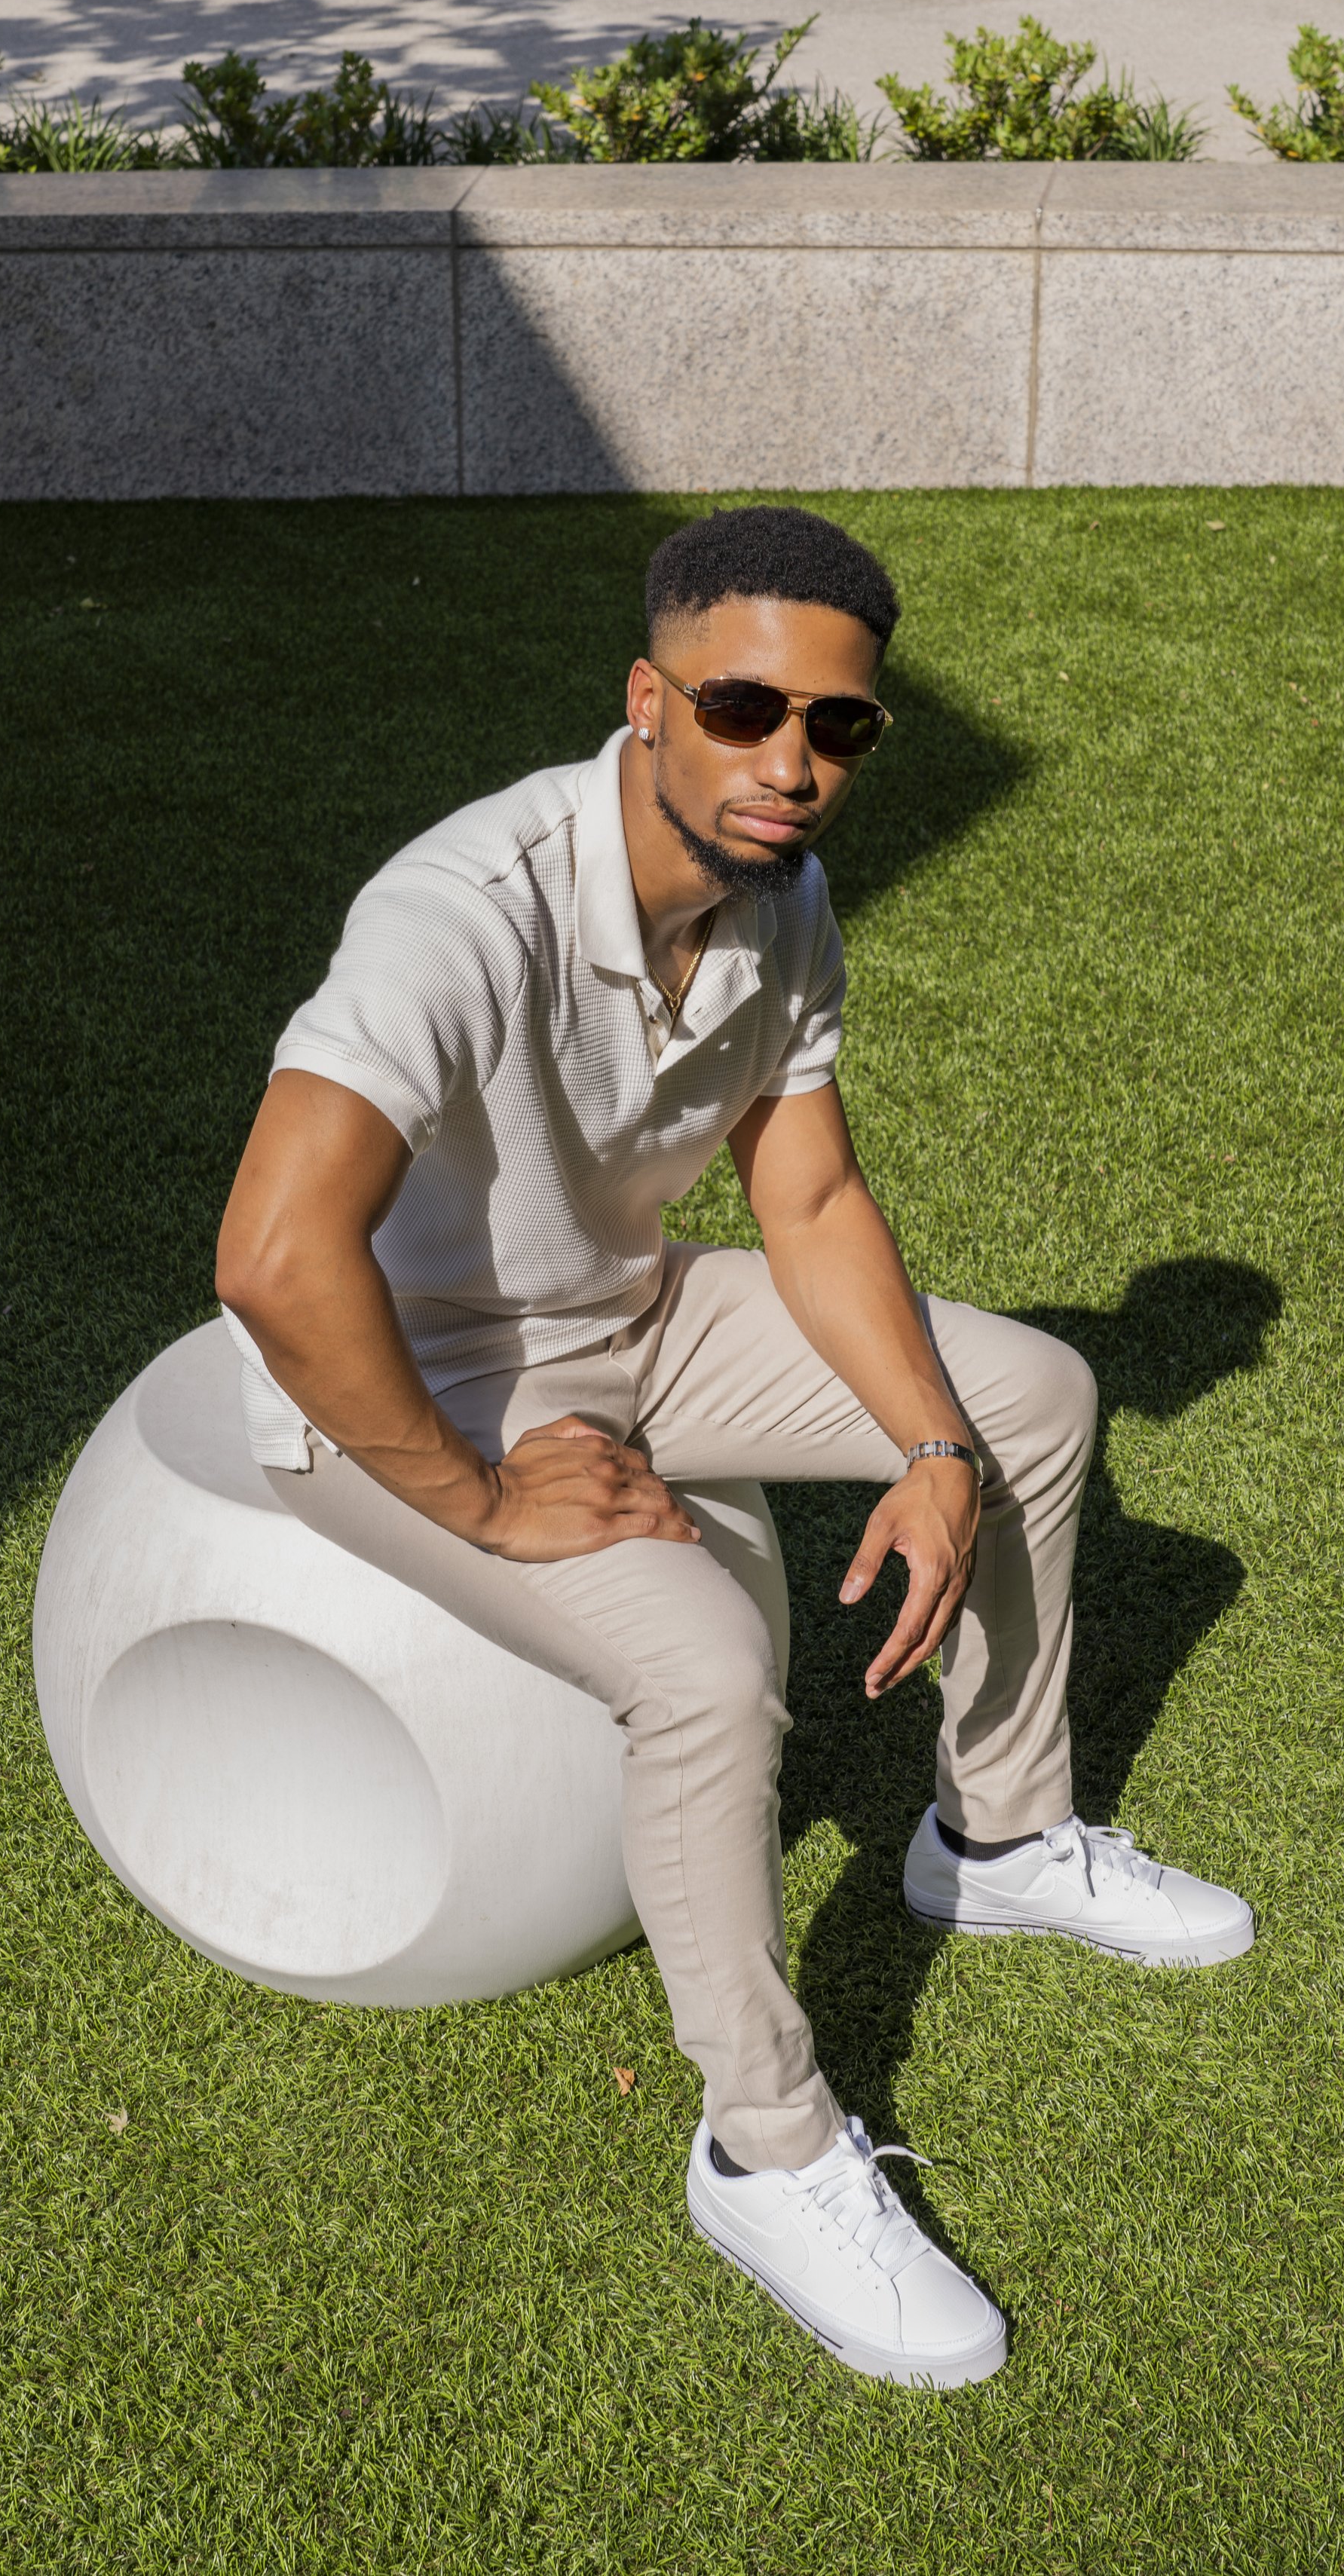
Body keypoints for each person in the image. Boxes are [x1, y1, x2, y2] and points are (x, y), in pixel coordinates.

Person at [216, 505, 1254, 2392]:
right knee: (704, 1662)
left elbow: (810, 1197)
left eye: (836, 727)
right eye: (741, 708)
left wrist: (925, 1442)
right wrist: (476, 1493)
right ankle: (763, 2152)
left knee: (1026, 1403)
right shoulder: (466, 911)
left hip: (620, 1312)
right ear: (647, 698)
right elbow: (276, 1256)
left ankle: (997, 1835)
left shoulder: (779, 894)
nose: (789, 762)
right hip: (408, 1384)